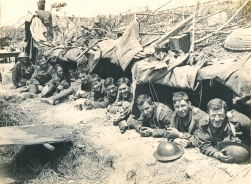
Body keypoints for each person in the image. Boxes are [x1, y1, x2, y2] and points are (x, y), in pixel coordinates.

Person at [194, 98, 251, 163]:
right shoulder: (204, 125)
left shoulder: (238, 119)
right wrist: (217, 155)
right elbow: (205, 145)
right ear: (208, 114)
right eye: (213, 115)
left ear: (226, 113)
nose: (217, 119)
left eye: (220, 115)